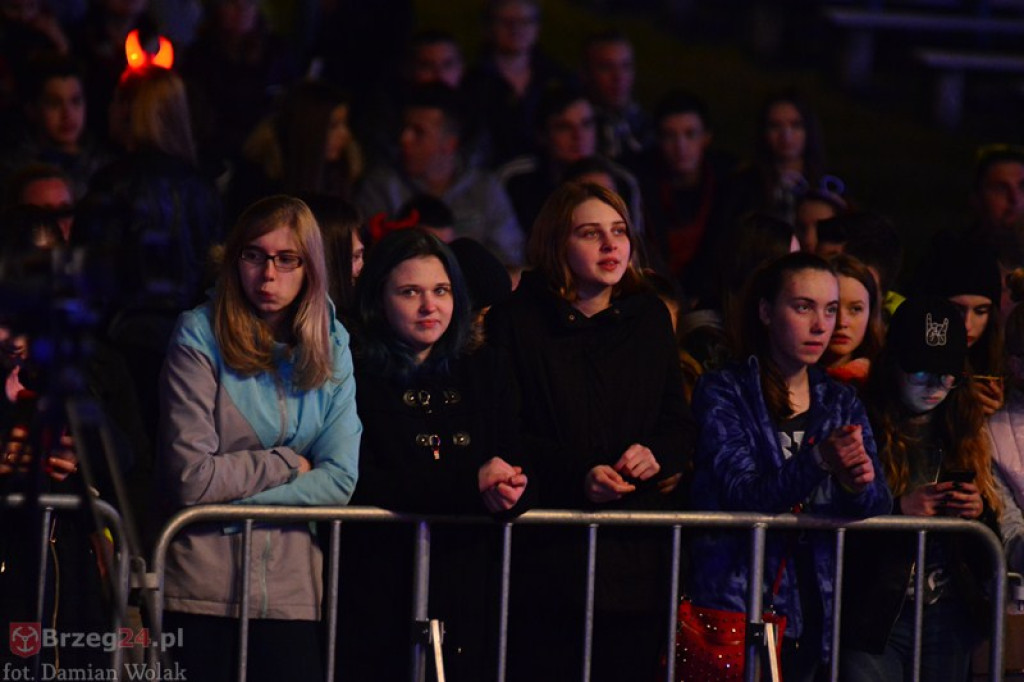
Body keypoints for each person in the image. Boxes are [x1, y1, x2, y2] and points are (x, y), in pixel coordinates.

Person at [486, 181, 693, 681]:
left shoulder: (647, 318)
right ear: (558, 243)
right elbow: (505, 432)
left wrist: (657, 454)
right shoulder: (517, 321)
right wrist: (580, 475)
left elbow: (679, 424)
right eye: (590, 233)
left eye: (619, 231)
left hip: (636, 560)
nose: (611, 245)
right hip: (548, 560)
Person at [157, 195, 361, 682]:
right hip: (203, 587)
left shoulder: (333, 345)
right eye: (254, 255)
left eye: (286, 259)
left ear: (310, 266)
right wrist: (288, 464)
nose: (268, 275)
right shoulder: (198, 335)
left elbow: (340, 480)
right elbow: (193, 479)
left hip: (292, 593)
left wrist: (239, 497)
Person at [688, 252, 891, 682]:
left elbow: (878, 501)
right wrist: (819, 460)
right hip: (738, 606)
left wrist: (859, 484)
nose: (822, 325)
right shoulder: (725, 391)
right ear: (765, 311)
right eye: (804, 307)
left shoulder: (840, 399)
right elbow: (744, 494)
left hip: (813, 607)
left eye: (831, 310)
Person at [337, 228, 528, 681]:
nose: (430, 306)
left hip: (470, 582)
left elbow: (517, 456)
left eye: (441, 291)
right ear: (378, 298)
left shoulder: (486, 365)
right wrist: (470, 484)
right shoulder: (354, 369)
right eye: (410, 292)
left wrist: (513, 487)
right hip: (380, 583)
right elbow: (360, 478)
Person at [840, 296, 1002, 682]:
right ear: (893, 366)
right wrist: (898, 513)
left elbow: (987, 554)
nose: (935, 386)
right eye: (920, 372)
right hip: (874, 613)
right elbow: (832, 524)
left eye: (947, 374)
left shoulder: (962, 430)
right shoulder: (860, 423)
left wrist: (978, 515)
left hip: (946, 614)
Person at [356, 83, 524, 266]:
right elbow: (366, 256)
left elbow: (509, 257)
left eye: (418, 132)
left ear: (449, 143)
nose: (404, 138)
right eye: (404, 128)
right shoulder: (382, 186)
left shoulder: (484, 188)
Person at [921, 236, 1005, 416]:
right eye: (956, 310)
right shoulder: (905, 364)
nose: (967, 324)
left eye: (980, 311)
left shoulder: (1000, 365)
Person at [821, 253, 883, 387]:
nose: (841, 322)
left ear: (870, 313)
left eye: (856, 309)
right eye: (831, 309)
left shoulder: (882, 383)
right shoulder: (789, 377)